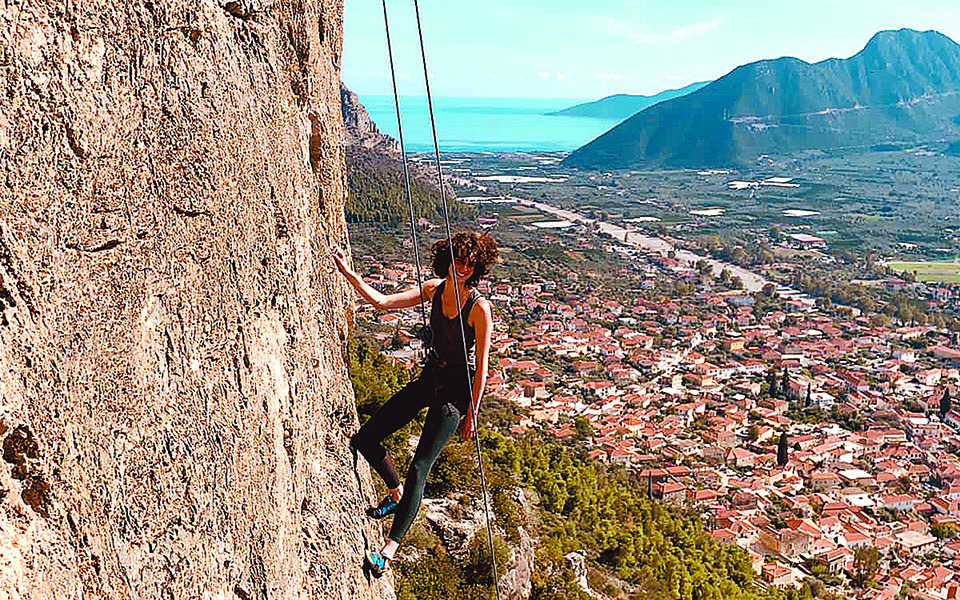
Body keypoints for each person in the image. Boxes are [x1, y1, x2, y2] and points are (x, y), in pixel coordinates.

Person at [331, 230, 498, 578]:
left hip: (455, 392)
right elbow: (383, 302)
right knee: (365, 438)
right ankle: (396, 493)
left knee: (420, 467)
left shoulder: (478, 307)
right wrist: (349, 274)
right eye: (458, 260)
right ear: (447, 259)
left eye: (470, 264)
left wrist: (471, 414)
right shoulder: (433, 290)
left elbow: (482, 366)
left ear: (477, 267)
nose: (463, 268)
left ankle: (387, 551)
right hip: (431, 377)